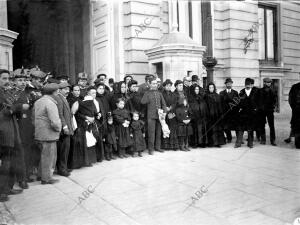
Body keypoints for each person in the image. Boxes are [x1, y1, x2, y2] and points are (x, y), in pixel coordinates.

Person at [0, 69, 27, 202]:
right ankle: (2, 192)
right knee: (5, 161)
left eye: (8, 79)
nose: (7, 81)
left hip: (11, 129)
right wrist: (18, 106)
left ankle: (8, 187)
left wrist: (16, 107)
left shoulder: (6, 92)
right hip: (3, 131)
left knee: (9, 160)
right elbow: (7, 111)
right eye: (4, 79)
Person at [33, 83, 62, 185]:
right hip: (49, 134)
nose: (58, 93)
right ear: (53, 92)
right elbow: (55, 121)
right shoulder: (50, 103)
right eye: (57, 91)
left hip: (39, 133)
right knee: (50, 157)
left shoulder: (38, 102)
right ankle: (47, 178)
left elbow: (33, 118)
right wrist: (59, 129)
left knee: (43, 156)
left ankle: (41, 175)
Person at [141, 78, 167, 154]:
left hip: (159, 116)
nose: (155, 85)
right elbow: (142, 102)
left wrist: (164, 112)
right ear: (150, 84)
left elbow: (163, 104)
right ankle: (150, 149)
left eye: (156, 84)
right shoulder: (147, 93)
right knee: (151, 133)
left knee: (159, 132)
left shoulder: (159, 93)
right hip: (151, 116)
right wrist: (147, 94)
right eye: (153, 83)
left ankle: (158, 147)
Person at [55, 82, 74, 177]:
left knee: (66, 149)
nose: (67, 91)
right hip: (64, 130)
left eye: (68, 89)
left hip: (67, 127)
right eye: (65, 89)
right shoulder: (59, 98)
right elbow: (60, 114)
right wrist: (65, 126)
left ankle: (64, 167)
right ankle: (62, 169)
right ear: (60, 90)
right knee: (64, 149)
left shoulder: (63, 98)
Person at [235, 78, 259, 148]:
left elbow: (257, 102)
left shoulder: (255, 92)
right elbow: (238, 102)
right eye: (246, 85)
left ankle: (250, 143)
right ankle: (238, 143)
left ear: (251, 85)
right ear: (245, 85)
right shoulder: (242, 92)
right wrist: (239, 108)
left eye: (249, 84)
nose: (247, 86)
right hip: (243, 113)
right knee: (241, 128)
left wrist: (256, 109)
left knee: (250, 129)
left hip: (251, 113)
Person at [205, 82, 225, 147]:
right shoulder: (206, 96)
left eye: (212, 87)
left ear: (214, 88)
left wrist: (221, 114)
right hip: (209, 116)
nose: (211, 89)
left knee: (218, 129)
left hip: (216, 115)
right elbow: (205, 107)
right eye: (210, 87)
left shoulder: (217, 96)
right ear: (208, 88)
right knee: (211, 129)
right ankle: (211, 143)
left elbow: (220, 106)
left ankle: (218, 143)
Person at [219, 78, 239, 143]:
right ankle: (229, 138)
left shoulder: (235, 93)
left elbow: (237, 103)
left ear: (232, 84)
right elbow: (220, 104)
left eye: (230, 83)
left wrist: (236, 111)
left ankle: (238, 138)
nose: (229, 84)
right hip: (225, 113)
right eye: (227, 83)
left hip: (233, 113)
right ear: (226, 84)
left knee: (236, 126)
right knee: (226, 127)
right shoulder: (222, 93)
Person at [161, 79, 179, 151]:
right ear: (164, 86)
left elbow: (175, 103)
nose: (168, 87)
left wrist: (171, 108)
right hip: (164, 114)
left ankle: (172, 145)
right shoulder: (161, 94)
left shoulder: (173, 94)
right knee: (165, 128)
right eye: (167, 86)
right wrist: (165, 108)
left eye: (170, 86)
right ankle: (165, 146)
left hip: (171, 113)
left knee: (172, 129)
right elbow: (161, 103)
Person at [258, 78, 277, 146]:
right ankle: (263, 140)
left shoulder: (273, 91)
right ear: (264, 83)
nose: (268, 83)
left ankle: (273, 140)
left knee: (271, 126)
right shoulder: (260, 90)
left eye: (269, 82)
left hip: (270, 110)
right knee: (262, 125)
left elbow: (275, 100)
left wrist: (273, 106)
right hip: (262, 111)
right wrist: (260, 107)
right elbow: (258, 100)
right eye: (267, 82)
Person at [288, 80, 300, 149]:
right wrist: (294, 108)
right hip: (297, 111)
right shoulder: (295, 87)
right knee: (296, 127)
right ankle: (298, 144)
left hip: (296, 110)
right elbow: (290, 99)